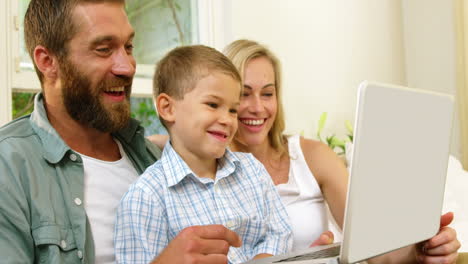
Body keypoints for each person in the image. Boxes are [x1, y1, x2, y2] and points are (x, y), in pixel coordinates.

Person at [149, 39, 461, 263]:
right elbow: (155, 141)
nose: (257, 107)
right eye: (243, 94)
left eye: (267, 93)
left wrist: (419, 251)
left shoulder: (312, 157)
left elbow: (375, 248)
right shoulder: (198, 161)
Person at [0, 1, 240, 263]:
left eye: (128, 47)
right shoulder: (9, 167)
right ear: (48, 62)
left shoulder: (152, 157)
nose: (127, 67)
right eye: (104, 50)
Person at [114, 45, 293, 264]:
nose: (227, 119)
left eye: (233, 110)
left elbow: (279, 232)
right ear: (168, 108)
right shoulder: (145, 198)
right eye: (212, 104)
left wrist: (263, 259)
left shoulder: (252, 170)